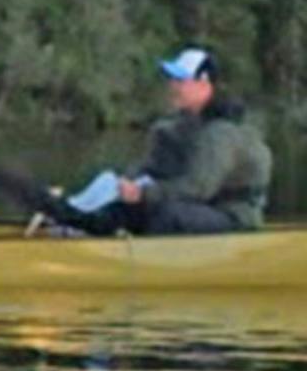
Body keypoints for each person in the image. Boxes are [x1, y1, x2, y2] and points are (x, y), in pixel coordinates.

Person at [79, 45, 269, 235]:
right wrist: (126, 180)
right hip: (200, 210)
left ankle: (144, 257)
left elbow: (199, 188)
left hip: (234, 219)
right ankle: (80, 227)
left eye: (180, 80)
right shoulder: (180, 127)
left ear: (204, 85)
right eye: (172, 79)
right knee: (128, 208)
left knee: (168, 215)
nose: (173, 86)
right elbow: (154, 167)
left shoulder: (221, 132)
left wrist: (143, 193)